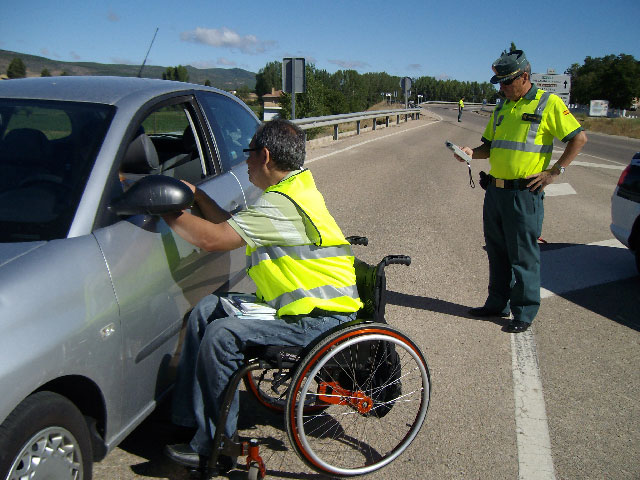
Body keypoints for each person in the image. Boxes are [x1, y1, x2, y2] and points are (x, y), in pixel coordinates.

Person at [162, 119, 363, 468]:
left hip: (319, 320)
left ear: (265, 155)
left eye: (248, 155)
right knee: (206, 310)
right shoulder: (290, 190)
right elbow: (228, 225)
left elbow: (213, 240)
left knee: (222, 335)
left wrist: (164, 209)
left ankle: (217, 445)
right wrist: (196, 196)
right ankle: (188, 422)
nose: (246, 163)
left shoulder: (282, 205)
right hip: (300, 308)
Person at [453, 50, 587, 333]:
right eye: (499, 83)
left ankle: (524, 312)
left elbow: (578, 138)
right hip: (496, 193)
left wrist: (555, 172)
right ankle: (496, 303)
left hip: (524, 194)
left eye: (506, 82)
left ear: (524, 77)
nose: (501, 88)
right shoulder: (502, 108)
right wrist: (469, 153)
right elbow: (487, 147)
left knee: (524, 255)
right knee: (497, 252)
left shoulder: (548, 104)